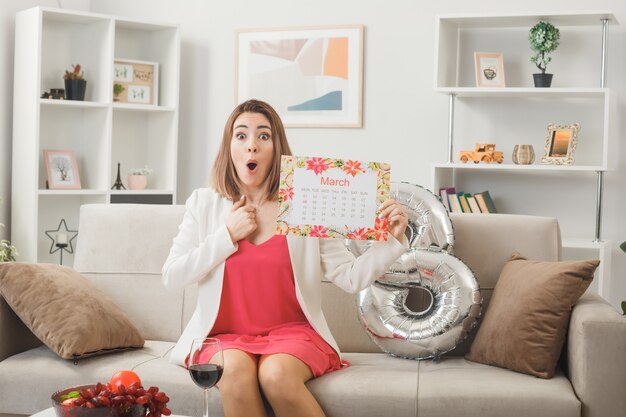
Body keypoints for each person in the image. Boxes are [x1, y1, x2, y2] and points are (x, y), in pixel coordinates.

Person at [162, 99, 409, 417]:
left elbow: (349, 277)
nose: (252, 146)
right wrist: (226, 236)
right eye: (241, 135)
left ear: (277, 149)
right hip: (223, 338)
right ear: (229, 147)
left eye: (263, 136)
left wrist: (393, 241)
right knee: (234, 373)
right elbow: (172, 276)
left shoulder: (306, 202)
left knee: (275, 375)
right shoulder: (203, 204)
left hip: (294, 335)